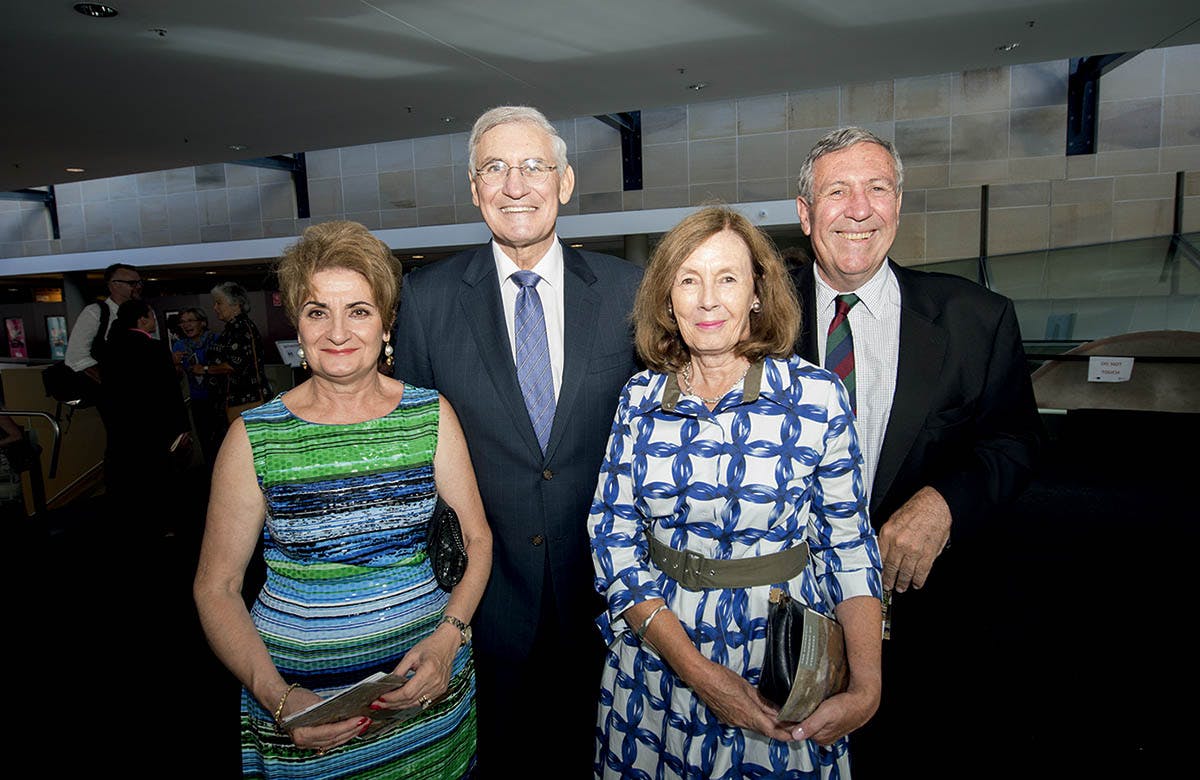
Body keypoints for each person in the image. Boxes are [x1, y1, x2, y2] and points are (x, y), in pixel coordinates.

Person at [588, 205, 882, 778]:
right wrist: (696, 671)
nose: (707, 299)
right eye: (688, 280)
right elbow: (613, 541)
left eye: (727, 278)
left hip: (777, 659)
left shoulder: (815, 397)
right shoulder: (639, 399)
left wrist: (868, 683)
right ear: (667, 299)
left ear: (756, 292)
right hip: (657, 659)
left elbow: (848, 544)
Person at [392, 104, 642, 777]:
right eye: (495, 168)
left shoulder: (629, 293)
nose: (515, 184)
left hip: (606, 603)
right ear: (475, 190)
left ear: (563, 183)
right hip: (485, 607)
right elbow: (412, 456)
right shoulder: (428, 297)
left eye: (534, 166)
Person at [194, 220, 492, 778]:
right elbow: (217, 587)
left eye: (358, 310)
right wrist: (278, 699)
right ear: (297, 327)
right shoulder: (254, 436)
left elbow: (478, 540)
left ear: (386, 324)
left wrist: (449, 639)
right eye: (317, 311)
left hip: (427, 692)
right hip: (305, 711)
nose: (338, 331)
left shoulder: (430, 415)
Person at [790, 127, 1043, 773]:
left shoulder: (975, 318)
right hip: (784, 618)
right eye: (837, 190)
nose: (859, 207)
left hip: (928, 622)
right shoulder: (756, 318)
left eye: (877, 188)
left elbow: (1015, 440)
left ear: (899, 205)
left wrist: (944, 503)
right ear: (805, 212)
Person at [101, 299, 191, 535]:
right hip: (153, 425)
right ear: (142, 319)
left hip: (122, 425)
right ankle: (163, 525)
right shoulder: (154, 348)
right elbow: (168, 392)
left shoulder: (109, 347)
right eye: (151, 316)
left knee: (128, 476)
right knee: (157, 476)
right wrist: (181, 427)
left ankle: (131, 523)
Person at [62, 262, 144, 403]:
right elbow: (76, 356)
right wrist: (111, 384)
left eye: (140, 282)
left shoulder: (143, 311)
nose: (138, 287)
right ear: (114, 285)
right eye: (132, 283)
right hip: (113, 394)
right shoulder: (95, 312)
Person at [200, 281, 272, 425]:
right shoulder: (233, 328)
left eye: (219, 303)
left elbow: (234, 365)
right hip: (235, 400)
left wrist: (205, 369)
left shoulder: (241, 328)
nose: (215, 308)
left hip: (246, 402)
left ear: (235, 304)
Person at [172, 307, 222, 466]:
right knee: (205, 441)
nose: (186, 325)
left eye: (190, 320)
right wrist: (175, 364)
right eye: (182, 322)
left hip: (220, 398)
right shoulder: (179, 346)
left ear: (202, 322)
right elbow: (177, 377)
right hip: (198, 400)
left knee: (223, 440)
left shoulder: (217, 339)